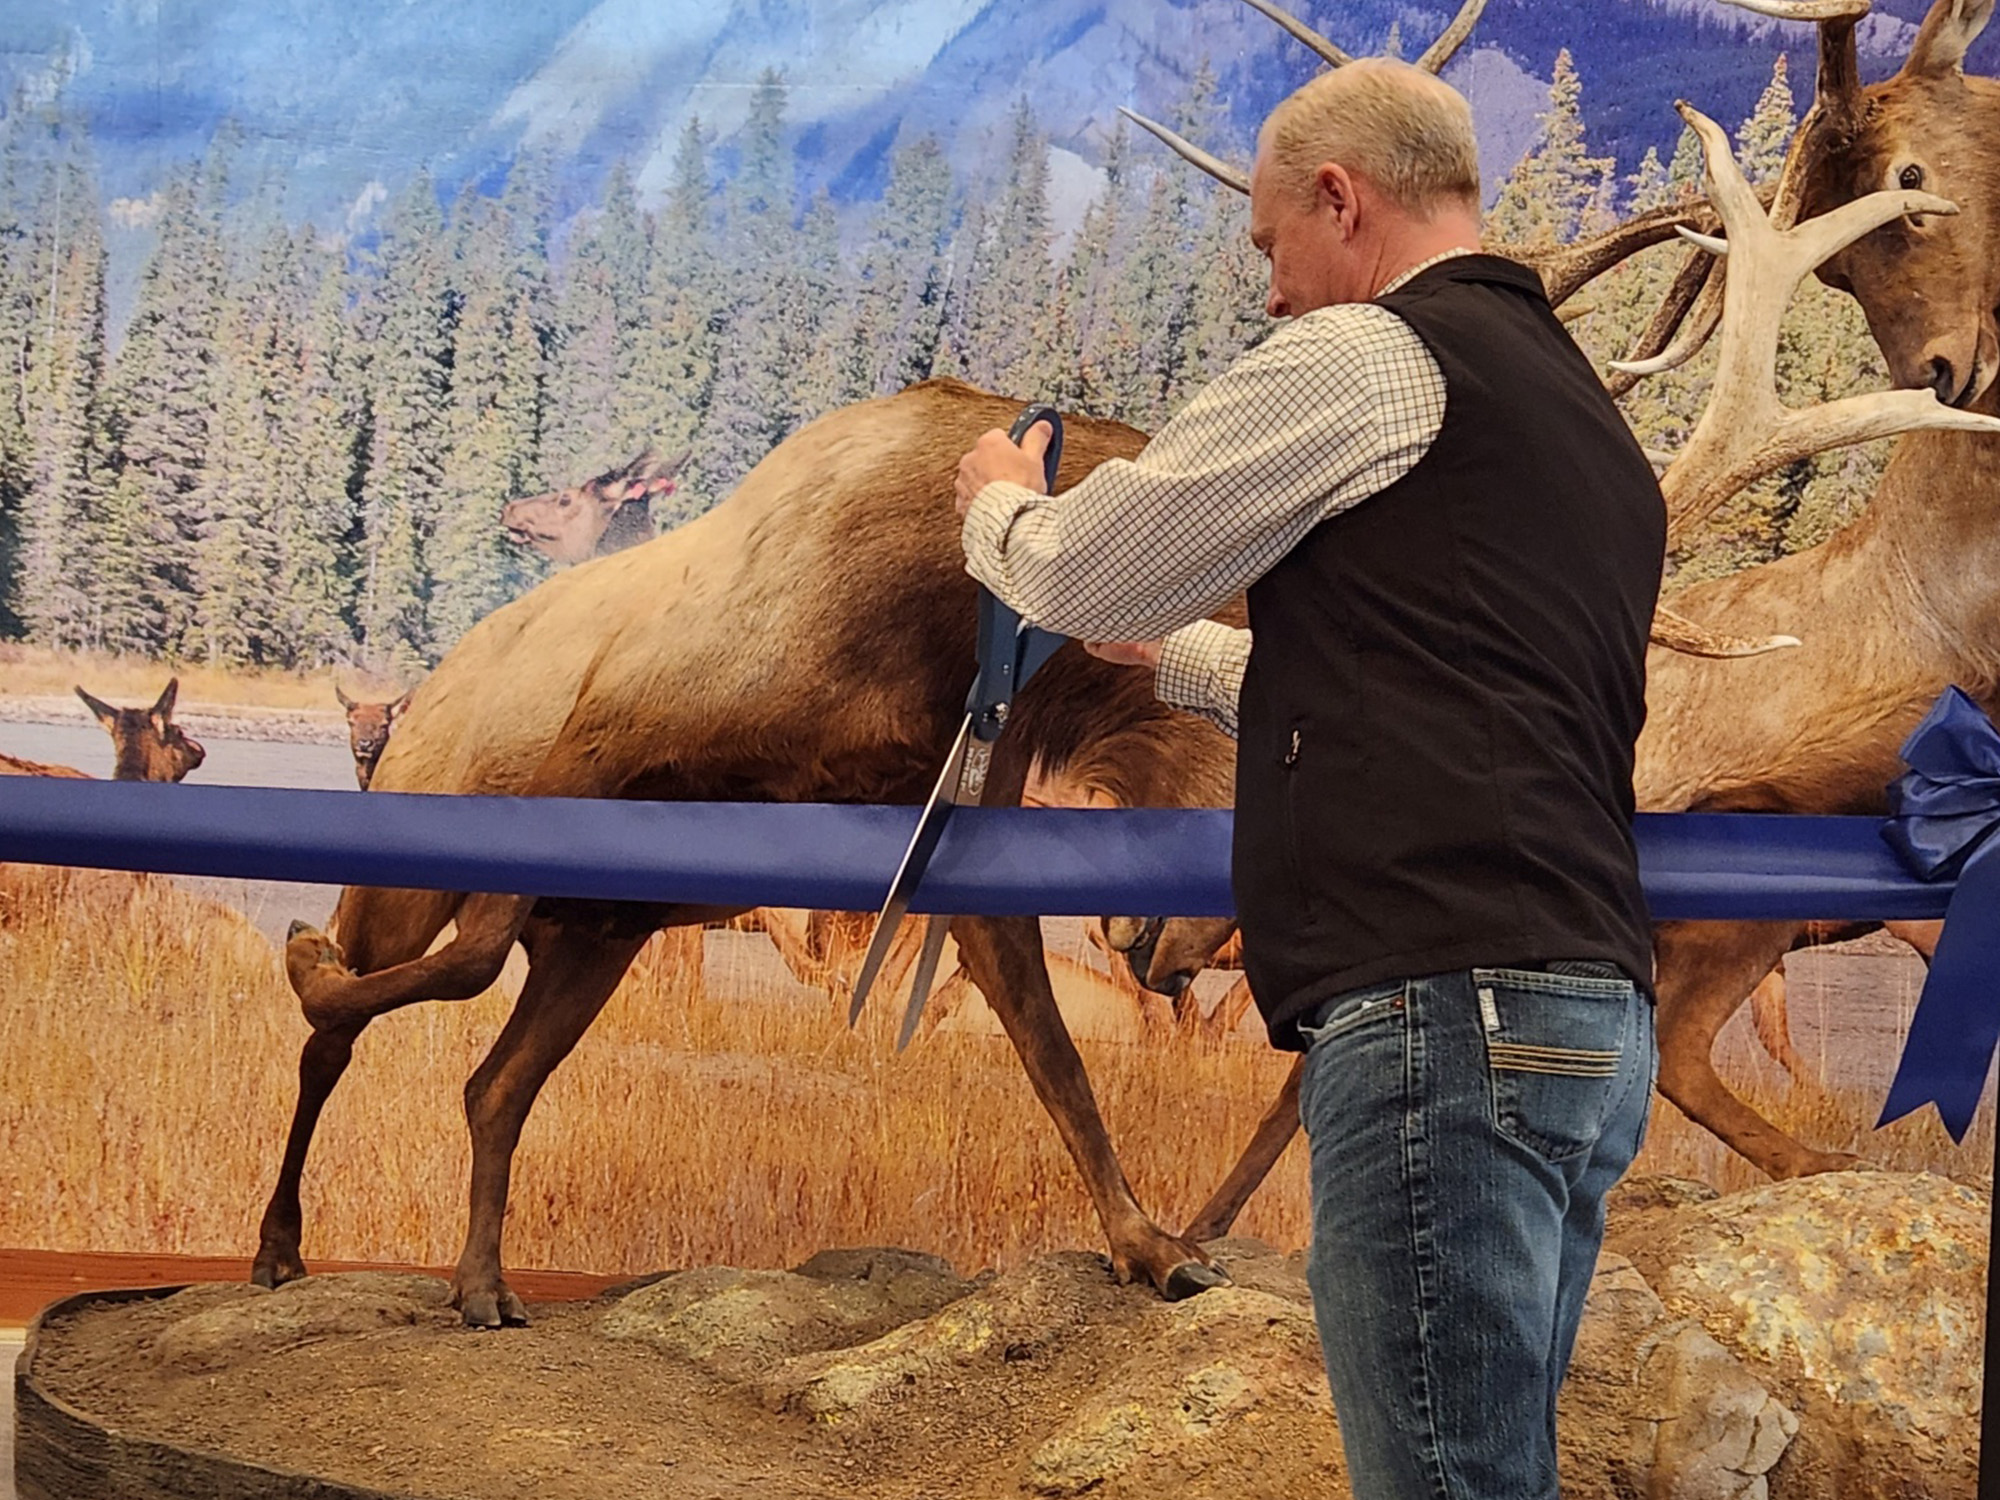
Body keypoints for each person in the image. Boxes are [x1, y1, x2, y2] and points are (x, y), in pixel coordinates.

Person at [952, 58, 1663, 1500]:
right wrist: (1182, 657)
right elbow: (1441, 682)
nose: (1272, 294)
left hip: (1442, 1013)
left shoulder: (1369, 357)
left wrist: (1002, 513)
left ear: (1341, 198)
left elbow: (1086, 566)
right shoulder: (1582, 418)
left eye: (1272, 246)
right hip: (1584, 1018)